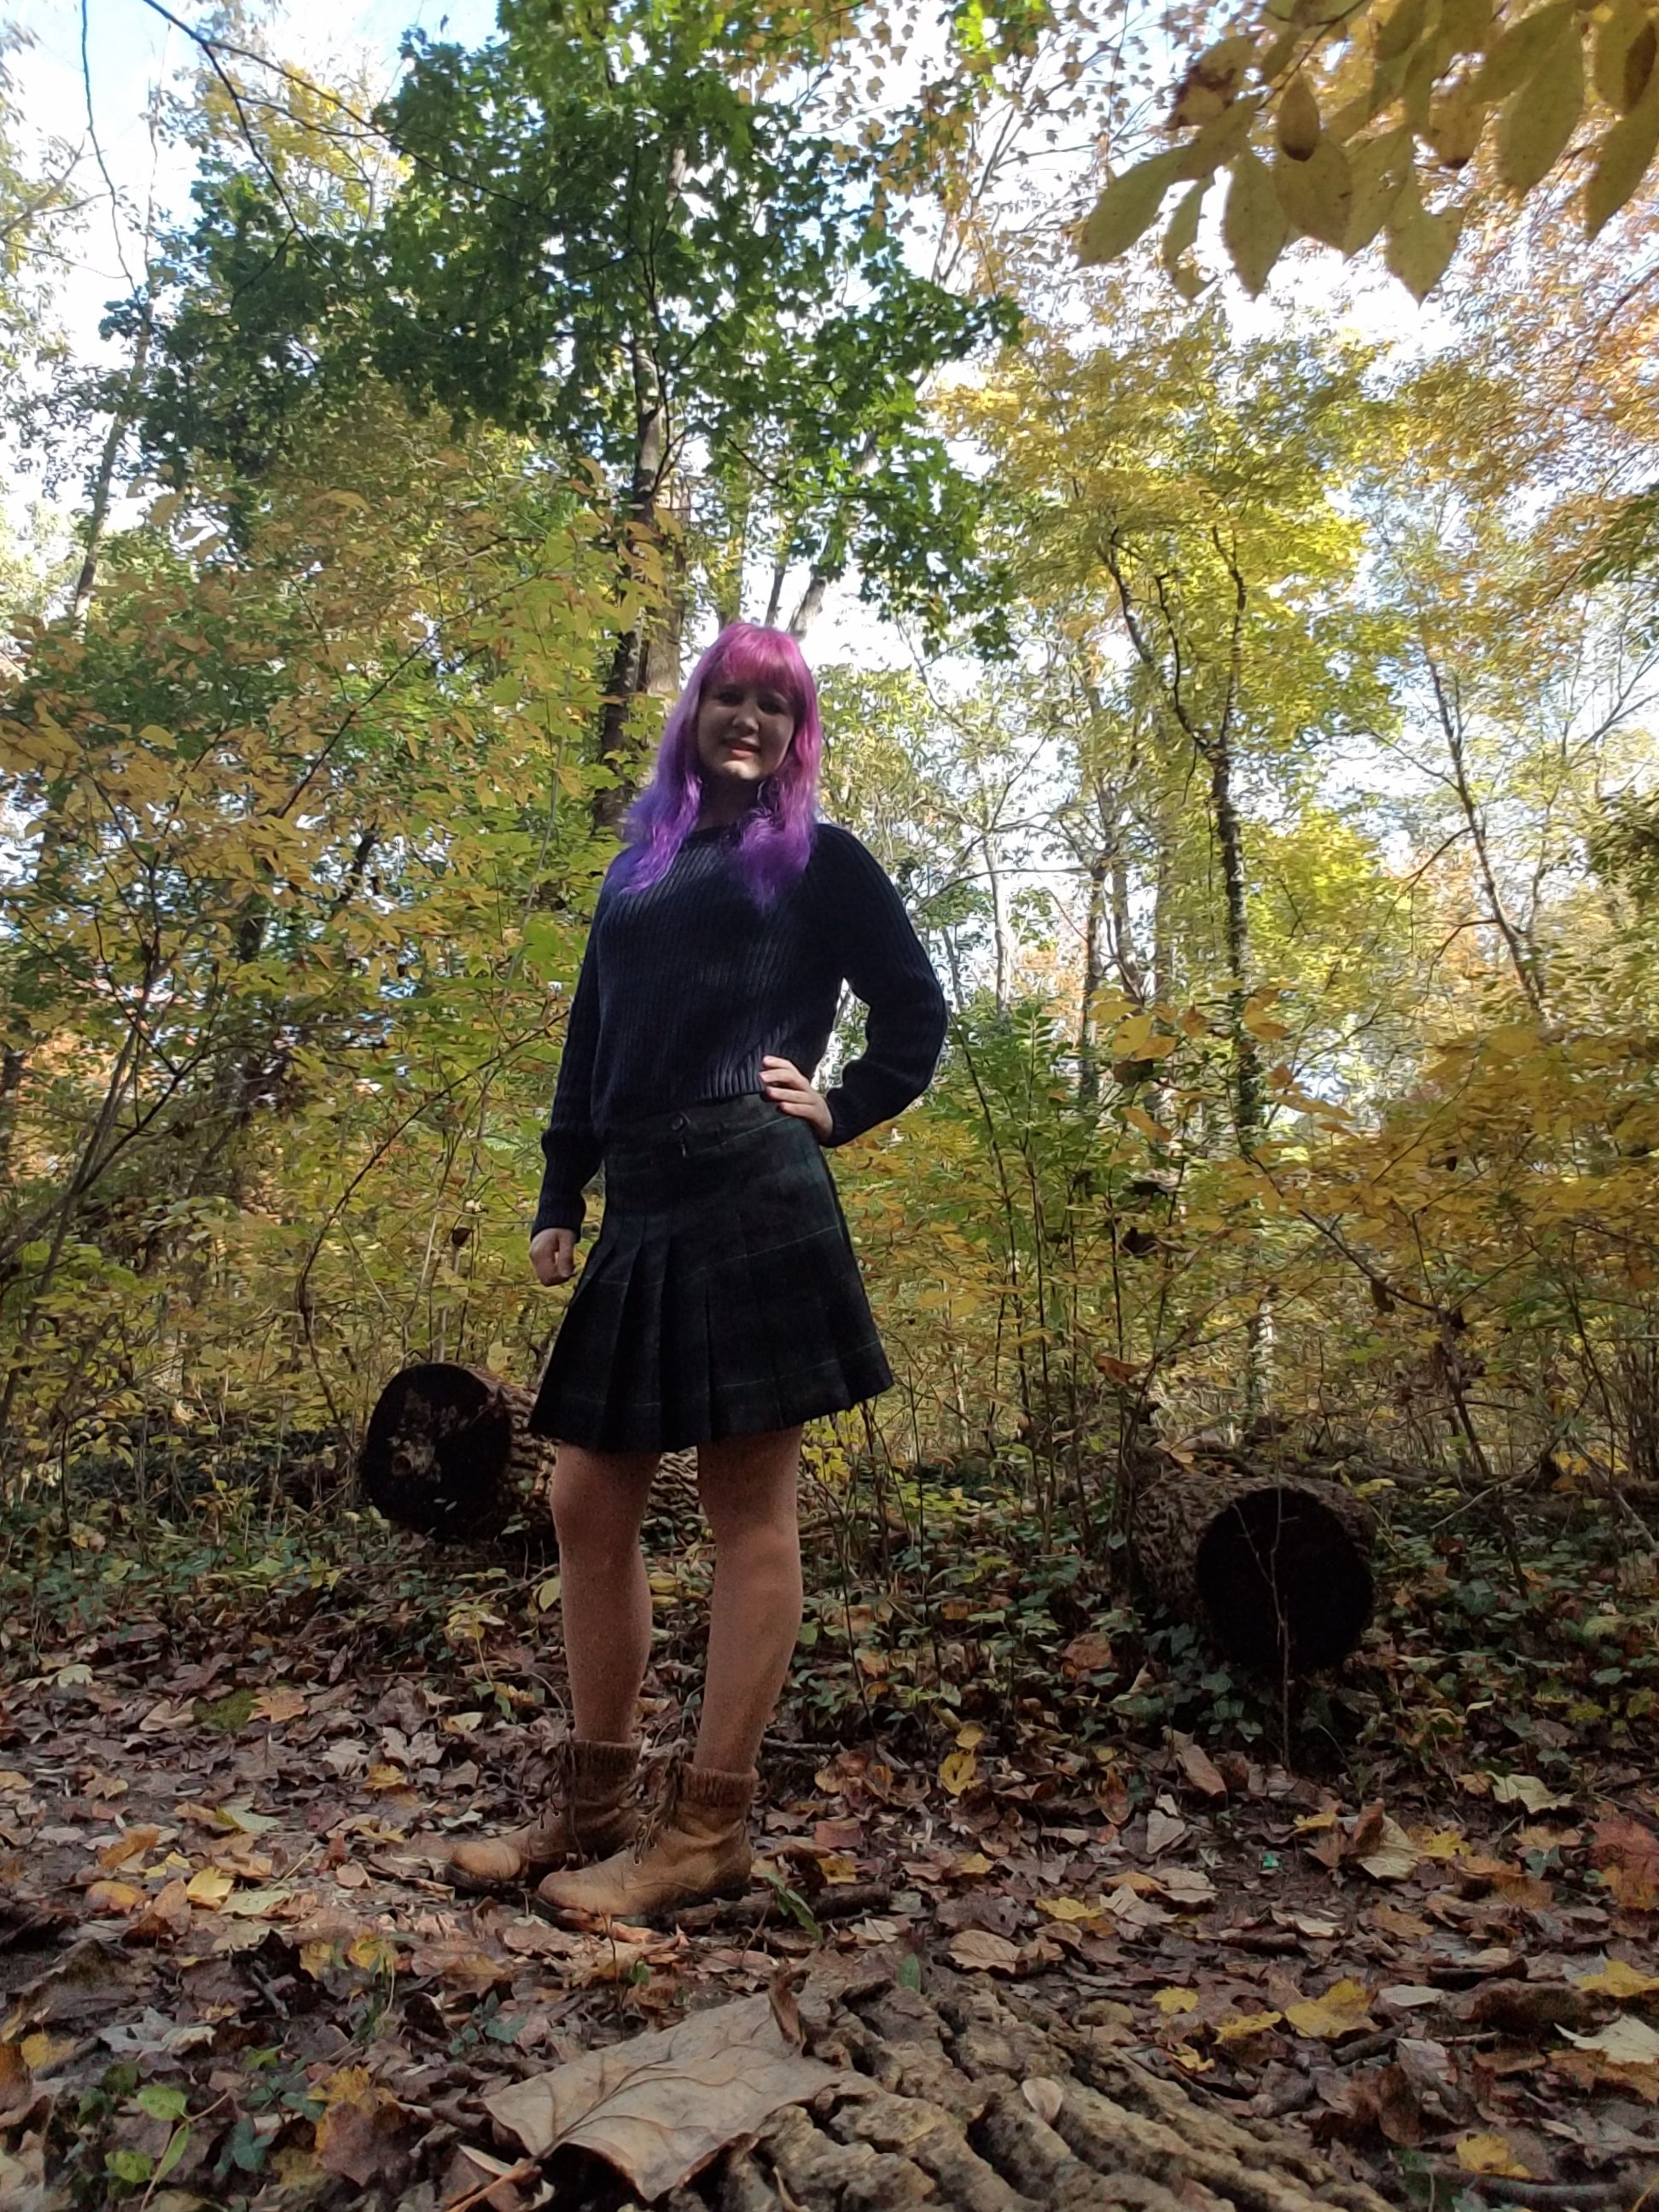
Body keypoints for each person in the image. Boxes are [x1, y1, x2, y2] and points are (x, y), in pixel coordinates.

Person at [449, 623, 947, 1919]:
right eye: (730, 697)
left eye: (776, 707)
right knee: (583, 1500)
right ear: (695, 712)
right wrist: (561, 1192)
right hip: (642, 1201)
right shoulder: (639, 870)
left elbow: (916, 1007)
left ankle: (708, 1829)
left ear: (796, 734)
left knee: (747, 1509)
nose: (750, 721)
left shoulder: (819, 858)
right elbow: (592, 1039)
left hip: (751, 1186)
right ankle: (594, 1806)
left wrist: (845, 1104)